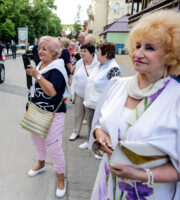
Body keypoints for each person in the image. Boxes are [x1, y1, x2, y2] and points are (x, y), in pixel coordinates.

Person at [88, 10, 180, 200]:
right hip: (106, 187)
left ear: (171, 55)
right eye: (137, 45)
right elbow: (99, 124)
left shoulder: (176, 99)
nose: (138, 53)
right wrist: (100, 134)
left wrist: (139, 175)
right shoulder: (117, 85)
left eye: (149, 48)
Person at [25, 36, 70, 198]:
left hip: (54, 112)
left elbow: (52, 92)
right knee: (35, 136)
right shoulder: (41, 64)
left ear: (55, 53)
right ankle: (42, 163)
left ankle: (60, 177)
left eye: (44, 48)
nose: (40, 51)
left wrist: (37, 75)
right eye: (39, 47)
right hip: (37, 109)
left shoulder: (58, 68)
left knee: (54, 145)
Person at [81, 42, 122, 151]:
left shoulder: (114, 69)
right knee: (91, 124)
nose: (96, 53)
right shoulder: (100, 65)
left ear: (106, 53)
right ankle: (89, 141)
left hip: (103, 104)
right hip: (92, 101)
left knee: (101, 127)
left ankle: (103, 148)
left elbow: (116, 89)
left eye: (98, 51)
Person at [69, 44, 99, 141]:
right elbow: (75, 76)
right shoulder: (79, 62)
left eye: (85, 51)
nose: (82, 53)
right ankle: (75, 132)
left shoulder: (98, 64)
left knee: (91, 118)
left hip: (90, 96)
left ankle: (92, 137)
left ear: (91, 53)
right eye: (81, 51)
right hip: (79, 93)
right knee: (78, 114)